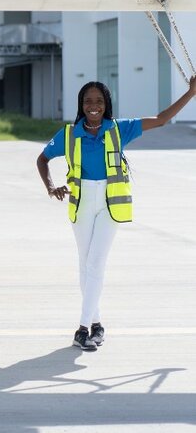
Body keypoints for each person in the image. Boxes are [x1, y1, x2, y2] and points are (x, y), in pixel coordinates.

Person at [36, 77, 196, 351]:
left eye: (99, 101)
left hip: (111, 204)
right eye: (88, 101)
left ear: (106, 104)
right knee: (85, 264)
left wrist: (191, 93)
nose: (93, 106)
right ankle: (96, 323)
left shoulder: (120, 130)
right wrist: (51, 187)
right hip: (82, 201)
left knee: (95, 263)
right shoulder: (69, 133)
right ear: (81, 105)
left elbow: (160, 119)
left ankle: (82, 329)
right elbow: (42, 159)